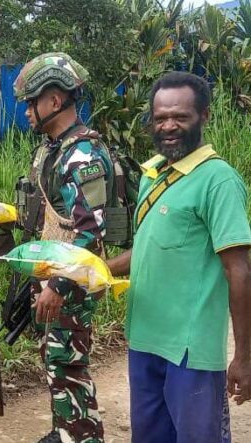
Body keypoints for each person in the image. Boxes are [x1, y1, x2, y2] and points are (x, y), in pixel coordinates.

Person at [106, 71, 251, 443]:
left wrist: (245, 356)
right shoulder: (155, 174)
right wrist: (96, 270)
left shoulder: (218, 179)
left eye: (180, 117)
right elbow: (149, 247)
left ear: (203, 117)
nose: (168, 125)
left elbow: (239, 269)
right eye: (160, 118)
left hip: (191, 351)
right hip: (144, 341)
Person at [13, 52, 112, 443]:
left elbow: (91, 232)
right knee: (56, 365)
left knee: (68, 367)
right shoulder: (53, 150)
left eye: (30, 103)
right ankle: (67, 432)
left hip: (67, 285)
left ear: (54, 101)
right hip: (52, 278)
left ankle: (82, 436)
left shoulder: (83, 155)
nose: (26, 113)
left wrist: (58, 287)